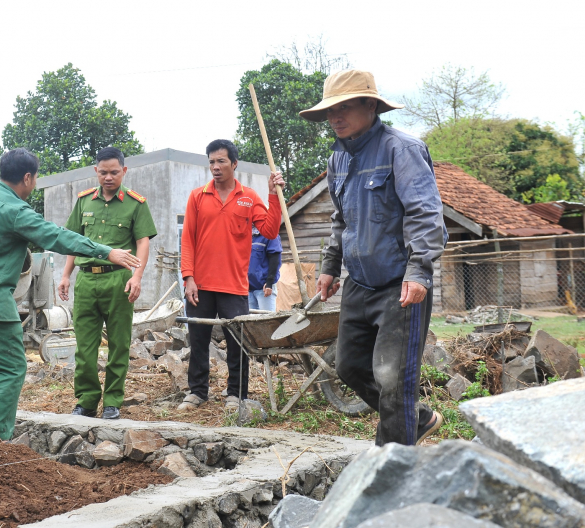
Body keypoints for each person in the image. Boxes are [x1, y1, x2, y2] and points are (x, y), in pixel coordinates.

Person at [0, 148, 140, 440]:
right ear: (27, 177)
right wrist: (106, 251)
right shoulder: (15, 211)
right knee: (11, 369)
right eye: (35, 178)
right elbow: (57, 236)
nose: (35, 183)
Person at [300, 69, 448, 446]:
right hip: (360, 283)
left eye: (345, 107)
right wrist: (331, 266)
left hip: (400, 284)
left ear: (371, 105)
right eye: (330, 110)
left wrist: (418, 271)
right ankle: (416, 420)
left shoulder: (402, 149)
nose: (335, 117)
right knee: (349, 366)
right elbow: (341, 219)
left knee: (393, 379)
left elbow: (425, 214)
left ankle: (391, 467)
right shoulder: (338, 160)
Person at [178, 139, 285, 411]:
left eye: (221, 161)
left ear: (234, 164)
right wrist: (188, 277)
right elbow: (187, 239)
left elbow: (271, 231)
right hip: (200, 284)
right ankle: (197, 392)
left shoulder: (249, 197)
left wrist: (273, 195)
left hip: (235, 285)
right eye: (212, 162)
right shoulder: (197, 197)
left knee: (237, 344)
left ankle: (235, 394)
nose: (215, 167)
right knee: (199, 341)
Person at [58, 147, 157, 420]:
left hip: (119, 280)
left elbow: (142, 242)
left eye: (114, 172)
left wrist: (137, 276)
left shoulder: (136, 203)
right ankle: (87, 400)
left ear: (124, 171)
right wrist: (66, 275)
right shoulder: (84, 201)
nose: (108, 177)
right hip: (87, 281)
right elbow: (73, 241)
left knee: (119, 343)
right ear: (96, 172)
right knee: (85, 347)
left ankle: (113, 401)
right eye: (103, 172)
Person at [248, 226, 282, 312]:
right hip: (248, 288)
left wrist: (269, 282)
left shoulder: (270, 235)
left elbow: (275, 259)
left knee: (267, 321)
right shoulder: (247, 235)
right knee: (250, 322)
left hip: (264, 289)